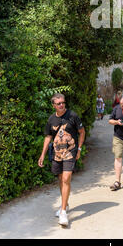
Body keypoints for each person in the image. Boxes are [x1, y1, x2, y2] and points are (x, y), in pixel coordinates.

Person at [38, 93, 85, 227]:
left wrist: (80, 149)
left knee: (66, 178)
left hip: (70, 152)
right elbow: (48, 137)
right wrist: (42, 154)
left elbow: (82, 132)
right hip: (57, 153)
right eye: (58, 103)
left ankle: (63, 212)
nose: (62, 105)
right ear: (53, 105)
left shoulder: (73, 116)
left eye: (63, 102)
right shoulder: (51, 119)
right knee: (60, 179)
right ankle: (65, 203)